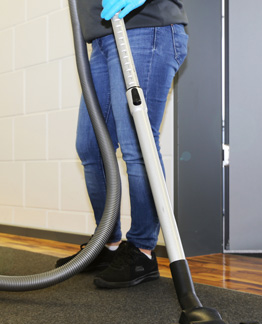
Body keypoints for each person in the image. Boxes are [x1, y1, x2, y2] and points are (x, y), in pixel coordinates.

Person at [57, 0, 188, 289]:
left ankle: (142, 250)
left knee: (136, 146)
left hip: (144, 28)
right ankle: (108, 244)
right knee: (92, 147)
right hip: (102, 41)